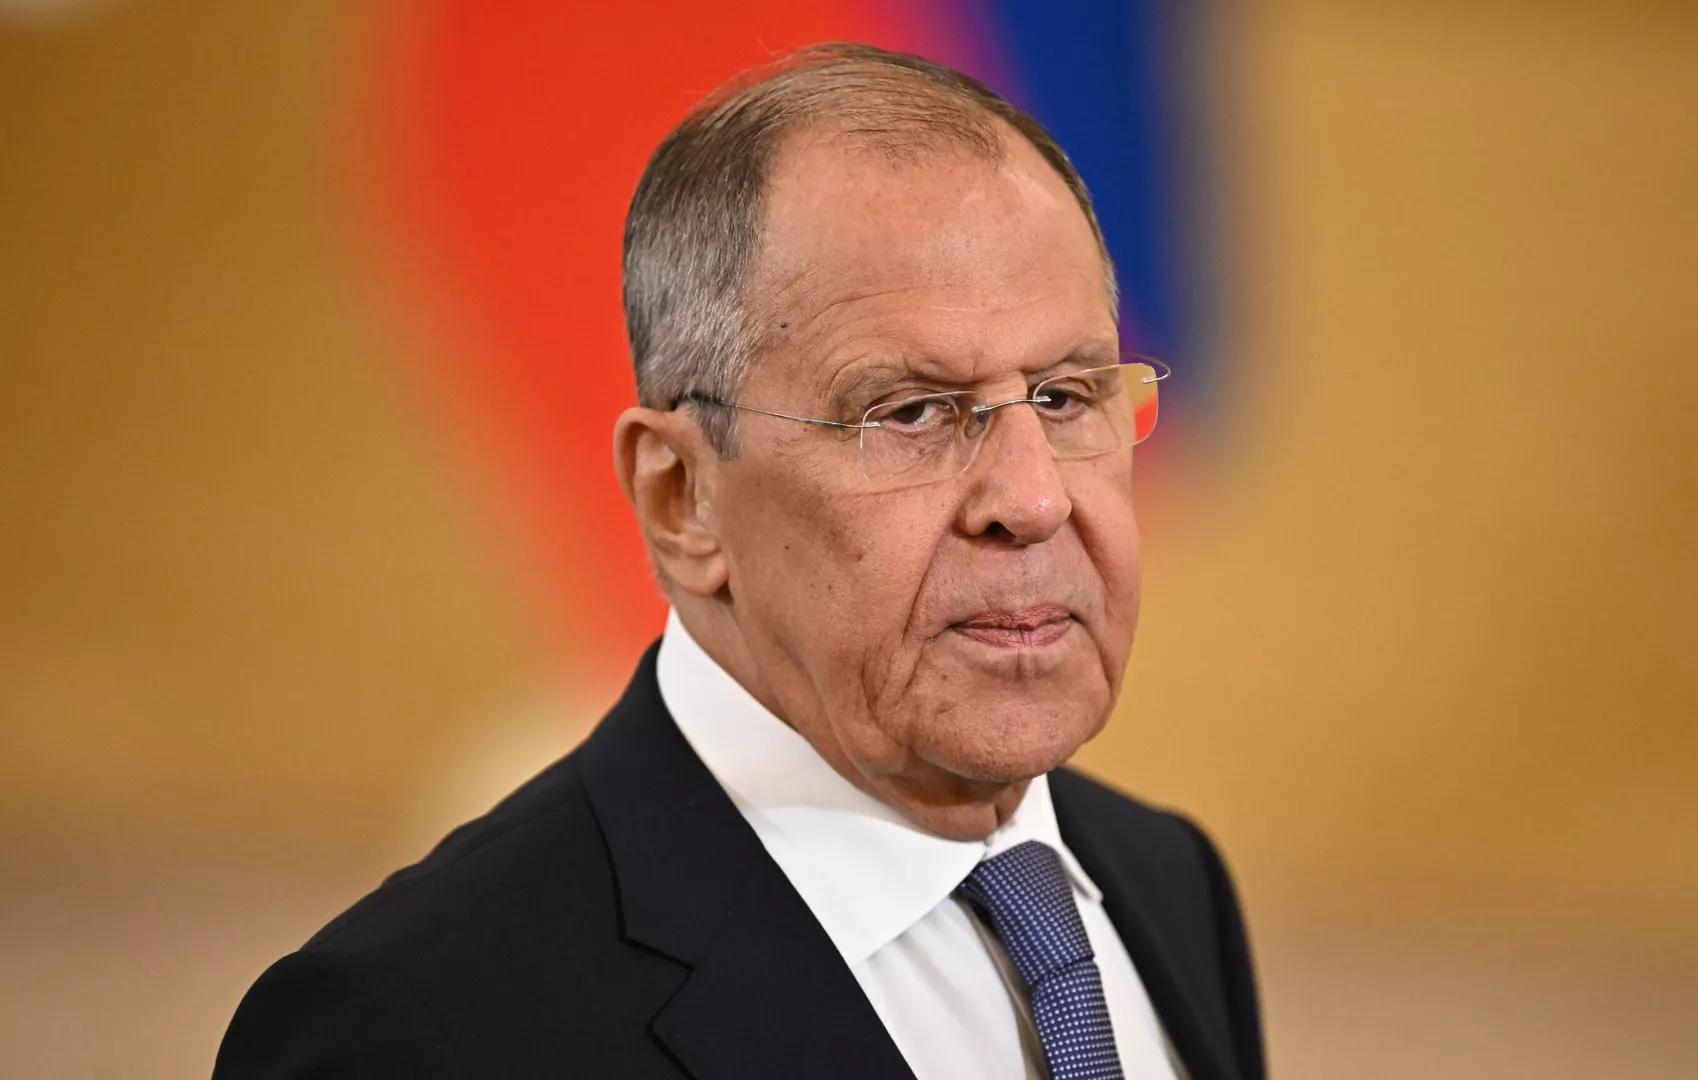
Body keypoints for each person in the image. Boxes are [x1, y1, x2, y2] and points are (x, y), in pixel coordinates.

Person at [215, 42, 1263, 1080]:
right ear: (683, 497)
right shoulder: (413, 1029)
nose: (1033, 501)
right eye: (910, 413)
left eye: (1066, 397)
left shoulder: (1171, 888)